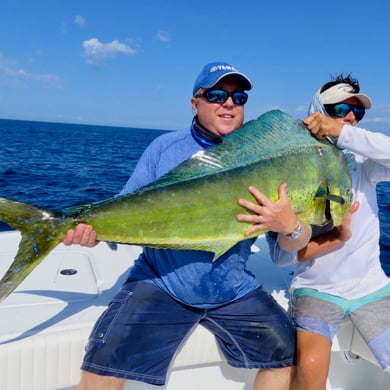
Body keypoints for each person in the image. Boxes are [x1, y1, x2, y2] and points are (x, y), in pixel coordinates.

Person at [63, 62, 300, 390]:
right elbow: (124, 205)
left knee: (288, 357)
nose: (228, 103)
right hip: (162, 283)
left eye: (238, 97)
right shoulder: (164, 148)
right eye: (217, 95)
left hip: (233, 289)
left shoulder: (265, 160)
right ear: (195, 103)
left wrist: (291, 227)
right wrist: (93, 231)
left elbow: (286, 249)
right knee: (100, 369)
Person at [237, 74, 390, 390]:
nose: (350, 117)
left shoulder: (364, 161)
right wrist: (338, 237)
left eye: (357, 112)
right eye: (341, 109)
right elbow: (282, 256)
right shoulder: (289, 167)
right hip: (316, 289)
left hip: (372, 288)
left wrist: (343, 133)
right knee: (308, 369)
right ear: (318, 110)